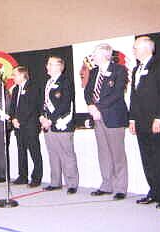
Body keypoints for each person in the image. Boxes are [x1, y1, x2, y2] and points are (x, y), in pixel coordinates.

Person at [129, 36, 160, 209]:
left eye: (135, 48)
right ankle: (154, 192)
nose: (133, 51)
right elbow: (134, 97)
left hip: (157, 121)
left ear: (147, 49)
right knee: (148, 160)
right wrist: (132, 118)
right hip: (141, 122)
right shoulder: (136, 69)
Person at [84, 44, 129, 200]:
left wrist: (98, 108)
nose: (92, 57)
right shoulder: (94, 71)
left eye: (95, 54)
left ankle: (120, 188)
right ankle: (106, 184)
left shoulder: (119, 70)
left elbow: (117, 93)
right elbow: (87, 91)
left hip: (114, 117)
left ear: (105, 55)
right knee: (103, 152)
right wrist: (90, 105)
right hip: (97, 118)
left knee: (117, 154)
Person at [40, 56, 79, 194]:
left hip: (62, 123)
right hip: (48, 124)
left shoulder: (65, 81)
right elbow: (44, 103)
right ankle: (55, 181)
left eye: (50, 64)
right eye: (48, 63)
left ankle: (72, 183)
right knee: (53, 154)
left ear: (59, 66)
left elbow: (64, 104)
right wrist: (42, 117)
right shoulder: (48, 82)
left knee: (67, 154)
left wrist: (51, 119)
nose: (47, 66)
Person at [9, 66, 43, 187]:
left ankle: (36, 178)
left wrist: (20, 121)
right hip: (18, 126)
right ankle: (22, 176)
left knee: (34, 152)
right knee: (21, 151)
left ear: (23, 75)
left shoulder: (33, 86)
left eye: (14, 75)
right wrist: (13, 118)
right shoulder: (15, 89)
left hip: (30, 125)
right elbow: (12, 107)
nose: (12, 77)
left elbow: (32, 107)